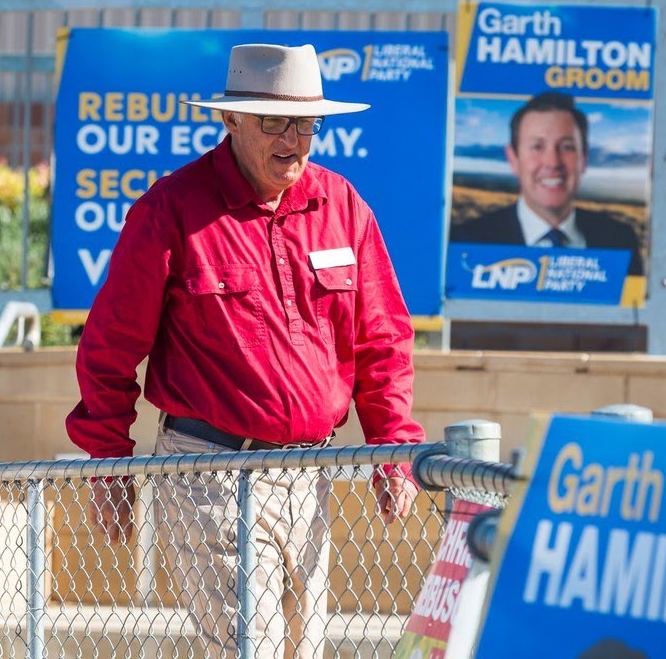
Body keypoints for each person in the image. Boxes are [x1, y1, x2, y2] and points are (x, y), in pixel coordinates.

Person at [65, 43, 424, 658]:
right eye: (274, 121)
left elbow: (382, 339)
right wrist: (108, 462)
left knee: (299, 651)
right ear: (229, 120)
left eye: (307, 122)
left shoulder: (342, 207)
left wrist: (393, 446)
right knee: (245, 649)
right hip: (208, 469)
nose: (294, 139)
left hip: (309, 475)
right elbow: (110, 346)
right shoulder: (171, 210)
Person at [450, 91, 644, 275]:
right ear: (513, 159)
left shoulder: (620, 240)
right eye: (537, 147)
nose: (553, 162)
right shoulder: (467, 242)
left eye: (566, 147)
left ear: (583, 159)